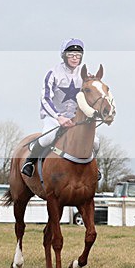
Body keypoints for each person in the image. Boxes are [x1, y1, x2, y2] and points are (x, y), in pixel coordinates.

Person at [21, 38, 100, 177]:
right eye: (71, 55)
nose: (75, 58)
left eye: (78, 55)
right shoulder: (53, 73)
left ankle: (93, 167)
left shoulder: (84, 75)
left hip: (76, 119)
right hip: (54, 117)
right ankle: (29, 162)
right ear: (64, 55)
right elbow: (45, 98)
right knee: (48, 137)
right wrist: (59, 117)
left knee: (95, 141)